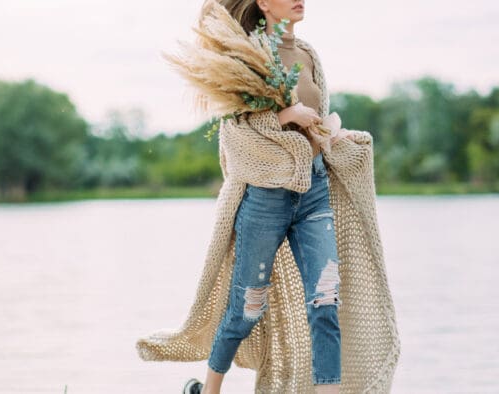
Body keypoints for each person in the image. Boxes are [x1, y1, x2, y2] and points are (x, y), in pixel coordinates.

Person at [137, 0, 400, 392]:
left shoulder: (308, 53)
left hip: (313, 191)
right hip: (265, 200)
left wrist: (332, 133)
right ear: (263, 3)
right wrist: (287, 116)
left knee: (326, 300)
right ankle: (208, 390)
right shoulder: (247, 55)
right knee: (246, 309)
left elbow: (318, 124)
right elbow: (237, 133)